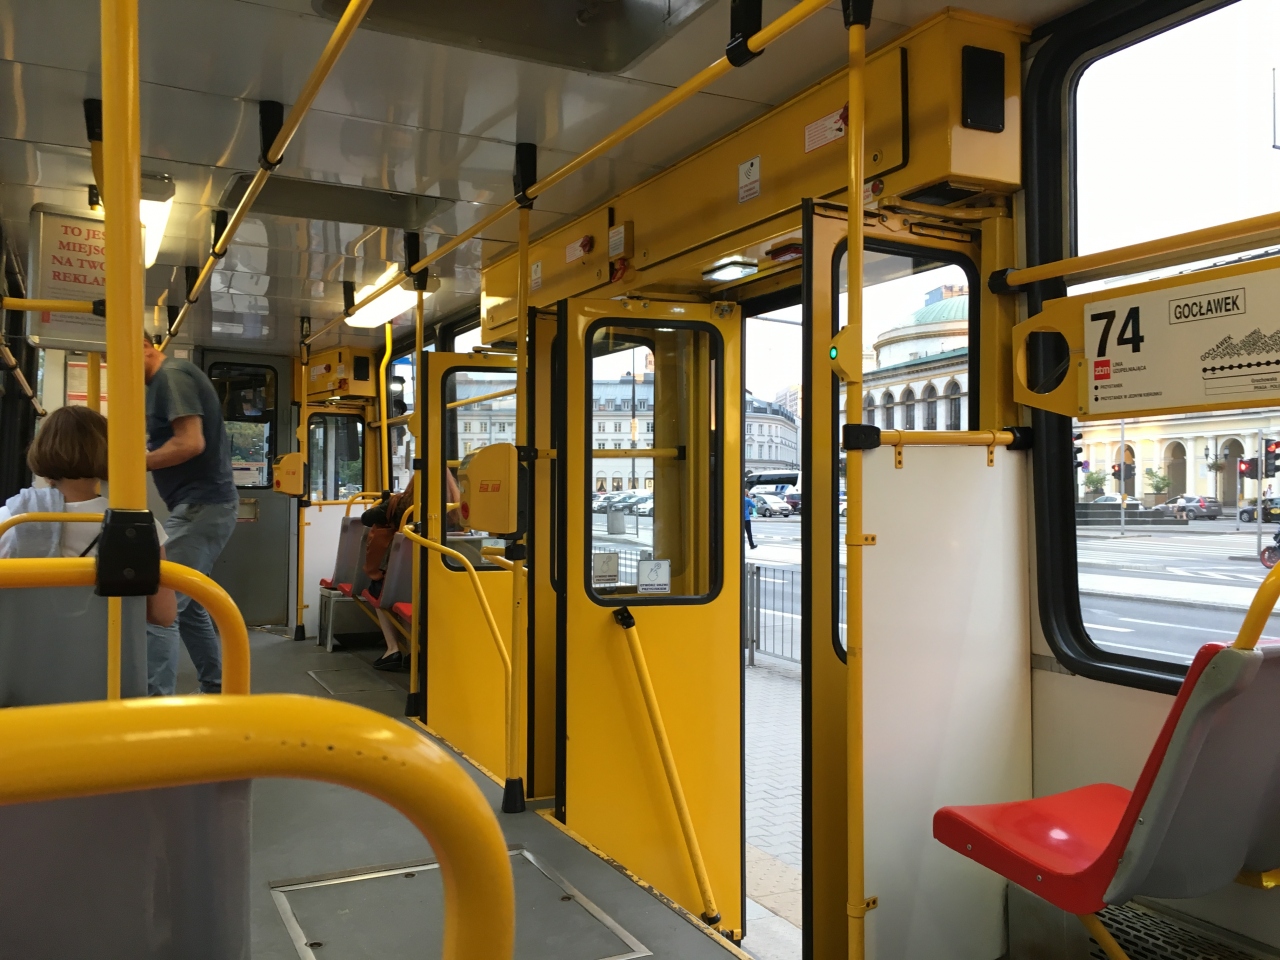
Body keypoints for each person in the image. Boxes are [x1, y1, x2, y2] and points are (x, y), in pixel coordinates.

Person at [0, 404, 176, 626]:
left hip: (24, 643)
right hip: (108, 645)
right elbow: (164, 615)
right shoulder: (139, 526)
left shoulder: (10, 519)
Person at [142, 336, 239, 695]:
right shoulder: (163, 382)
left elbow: (190, 442)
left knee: (160, 608)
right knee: (191, 606)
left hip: (202, 506)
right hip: (202, 505)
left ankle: (154, 708)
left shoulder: (172, 375)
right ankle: (218, 690)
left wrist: (131, 462)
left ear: (145, 346)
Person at [359, 478, 415, 670]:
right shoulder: (453, 507)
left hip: (402, 569)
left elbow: (367, 518)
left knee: (381, 591)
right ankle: (412, 650)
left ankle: (393, 649)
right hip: (435, 575)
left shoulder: (401, 503)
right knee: (409, 596)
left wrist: (385, 502)